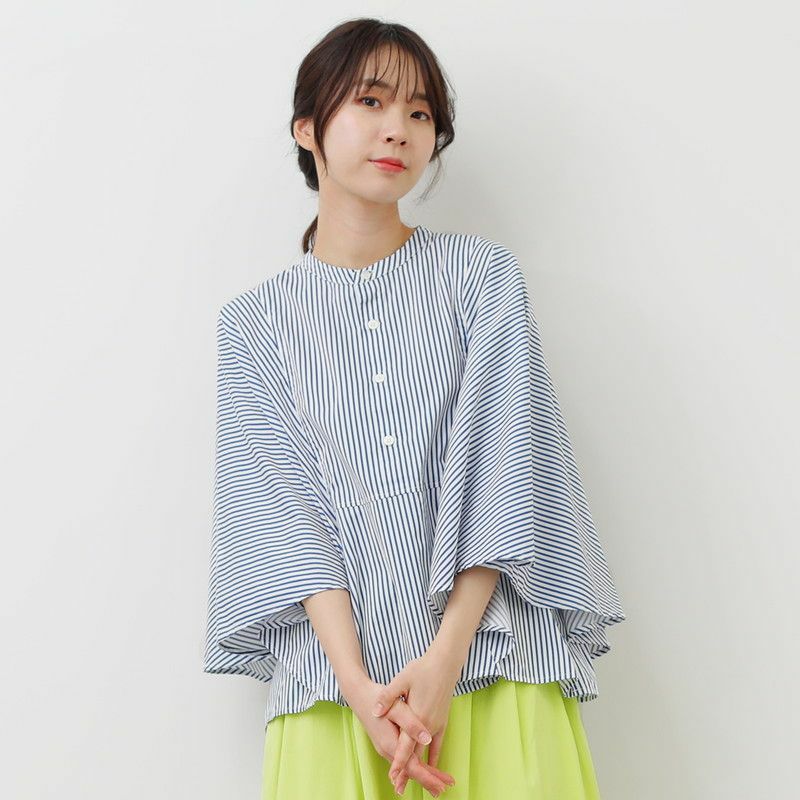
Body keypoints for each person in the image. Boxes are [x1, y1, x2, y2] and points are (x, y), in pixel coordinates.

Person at [202, 17, 626, 800]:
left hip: (496, 662)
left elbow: (508, 470)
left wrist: (444, 659)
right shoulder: (254, 325)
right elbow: (284, 520)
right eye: (370, 101)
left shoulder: (481, 278)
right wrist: (360, 686)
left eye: (421, 112)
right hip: (335, 690)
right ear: (308, 127)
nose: (399, 128)